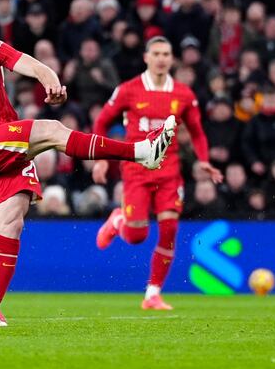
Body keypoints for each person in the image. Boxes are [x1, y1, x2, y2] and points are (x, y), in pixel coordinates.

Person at [0, 0, 176, 327]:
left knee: (12, 223)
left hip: (8, 139)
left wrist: (50, 79)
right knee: (53, 130)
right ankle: (141, 151)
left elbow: (24, 62)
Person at [92, 36, 223, 310]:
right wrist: (102, 160)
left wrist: (204, 160)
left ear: (172, 59)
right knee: (137, 235)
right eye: (157, 53)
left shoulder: (184, 94)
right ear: (146, 57)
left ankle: (153, 293)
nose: (162, 58)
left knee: (169, 228)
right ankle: (118, 221)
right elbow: (102, 121)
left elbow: (198, 132)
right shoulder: (128, 90)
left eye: (166, 53)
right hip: (136, 169)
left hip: (169, 170)